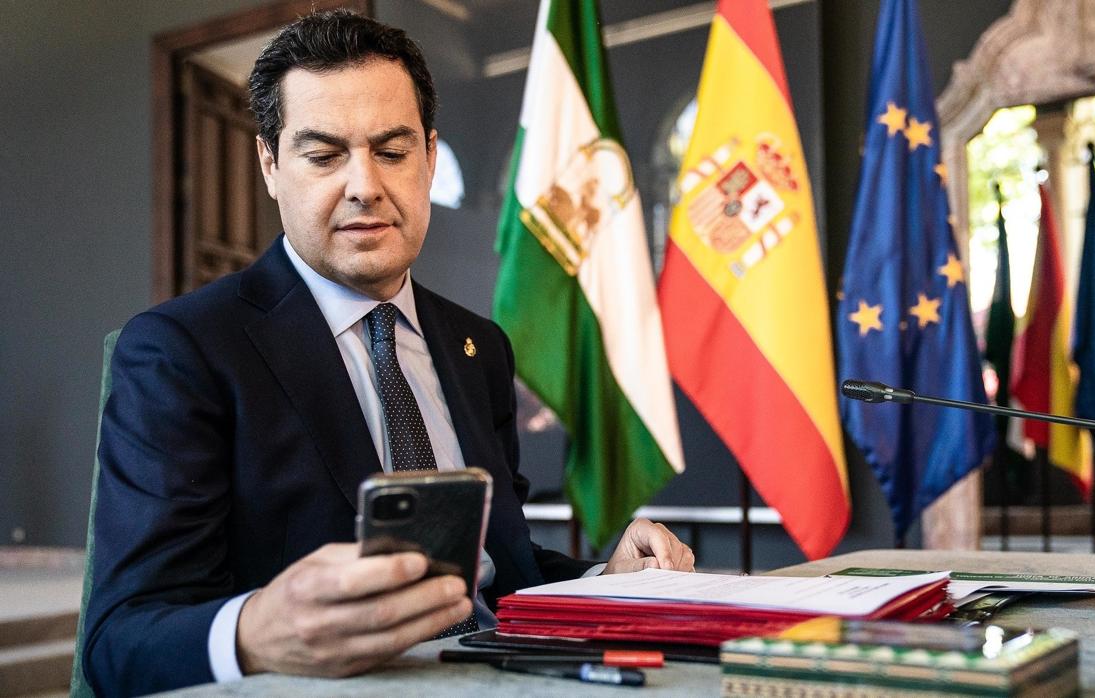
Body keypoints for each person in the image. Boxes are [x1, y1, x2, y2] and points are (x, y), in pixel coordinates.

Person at [81, 10, 693, 696]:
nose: (365, 185)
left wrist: (601, 579)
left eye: (392, 151)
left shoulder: (479, 347)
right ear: (270, 164)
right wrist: (253, 631)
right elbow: (118, 641)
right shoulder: (182, 351)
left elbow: (502, 568)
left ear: (429, 158)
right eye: (323, 155)